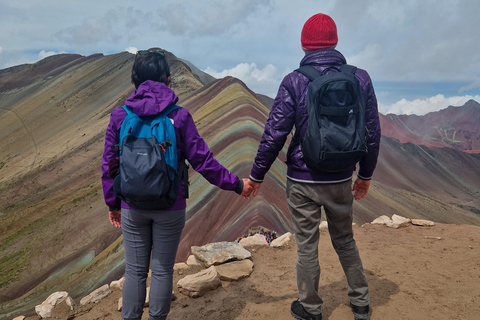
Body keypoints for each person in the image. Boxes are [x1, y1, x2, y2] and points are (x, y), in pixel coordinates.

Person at [245, 13, 381, 320]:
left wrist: (257, 176)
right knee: (345, 239)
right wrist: (365, 175)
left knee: (307, 246)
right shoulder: (360, 79)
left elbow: (275, 133)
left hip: (303, 180)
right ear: (334, 42)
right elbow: (372, 131)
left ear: (305, 44)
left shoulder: (295, 81)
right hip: (342, 177)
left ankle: (310, 308)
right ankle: (361, 303)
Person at [101, 49, 252, 320]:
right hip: (170, 205)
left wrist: (113, 203)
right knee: (161, 270)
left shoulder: (119, 116)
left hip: (131, 206)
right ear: (168, 79)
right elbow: (203, 162)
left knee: (134, 271)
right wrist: (237, 185)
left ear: (135, 79)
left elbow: (109, 165)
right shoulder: (179, 117)